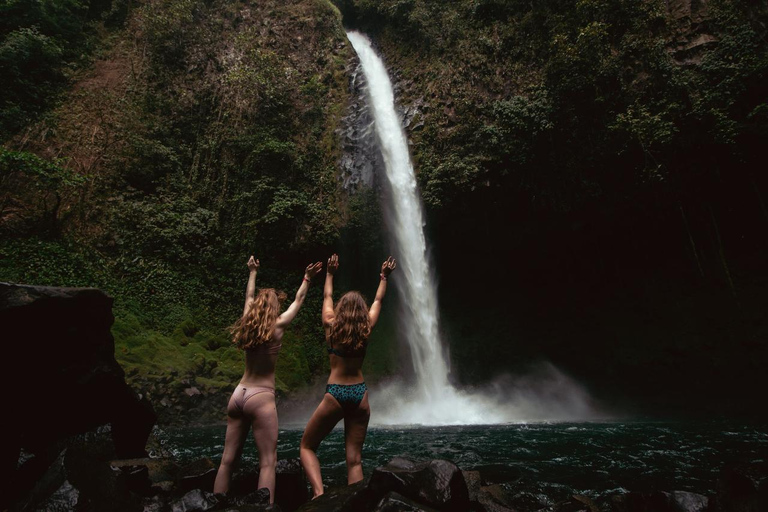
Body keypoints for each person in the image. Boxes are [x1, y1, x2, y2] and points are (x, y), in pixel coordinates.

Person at [213, 255, 323, 501]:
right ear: (274, 308)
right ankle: (265, 507)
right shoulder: (278, 326)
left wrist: (252, 272)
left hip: (239, 394)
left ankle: (213, 504)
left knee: (227, 461)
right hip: (260, 397)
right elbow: (299, 300)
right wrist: (307, 278)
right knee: (267, 462)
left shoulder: (247, 324)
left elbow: (248, 298)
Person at [299, 253, 397, 498]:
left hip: (336, 393)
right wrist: (384, 277)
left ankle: (319, 495)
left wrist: (330, 274)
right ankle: (356, 504)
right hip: (359, 393)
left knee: (307, 446)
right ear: (361, 313)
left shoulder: (330, 326)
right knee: (354, 460)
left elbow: (327, 297)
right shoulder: (366, 328)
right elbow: (377, 300)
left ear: (341, 310)